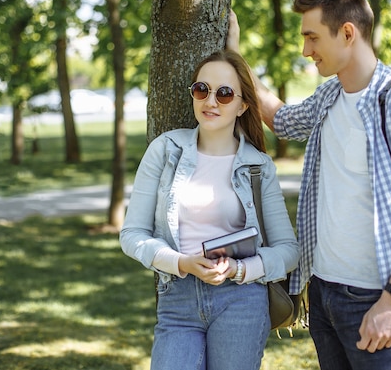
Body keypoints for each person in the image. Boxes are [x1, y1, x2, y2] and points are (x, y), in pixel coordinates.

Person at [228, 0, 391, 369]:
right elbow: (279, 117)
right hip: (323, 294)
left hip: (374, 299)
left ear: (347, 33)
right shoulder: (329, 96)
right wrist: (233, 54)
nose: (305, 50)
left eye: (312, 37)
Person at [120, 49, 299, 370]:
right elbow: (132, 234)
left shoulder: (259, 167)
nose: (211, 101)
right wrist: (180, 262)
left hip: (242, 302)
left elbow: (288, 251)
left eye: (225, 93)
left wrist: (240, 269)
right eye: (202, 90)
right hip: (178, 299)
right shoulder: (165, 150)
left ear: (244, 105)